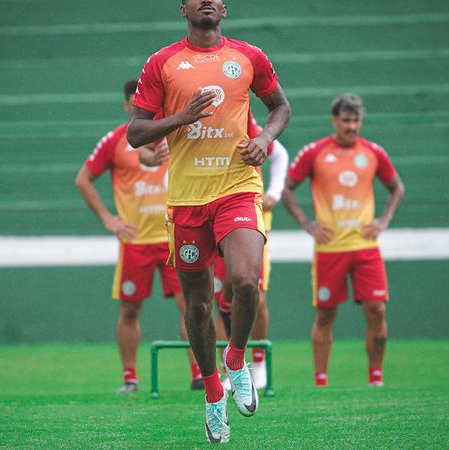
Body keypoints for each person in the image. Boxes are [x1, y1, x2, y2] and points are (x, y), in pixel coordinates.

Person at [126, 0, 290, 443]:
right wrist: (181, 117)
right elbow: (134, 132)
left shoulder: (249, 56)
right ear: (183, 9)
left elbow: (281, 108)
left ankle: (236, 359)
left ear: (224, 8)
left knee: (245, 281)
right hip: (186, 200)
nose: (206, 2)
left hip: (237, 186)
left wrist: (265, 137)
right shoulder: (163, 62)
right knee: (197, 306)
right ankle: (213, 392)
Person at [75, 79, 203, 394]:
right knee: (130, 309)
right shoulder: (115, 141)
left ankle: (199, 373)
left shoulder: (175, 133)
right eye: (133, 103)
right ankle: (130, 377)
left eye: (143, 102)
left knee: (190, 304)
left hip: (174, 236)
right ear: (126, 106)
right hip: (135, 242)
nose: (139, 107)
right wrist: (108, 219)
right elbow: (83, 179)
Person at [282, 93, 404, 388]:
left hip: (365, 247)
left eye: (356, 120)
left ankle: (376, 378)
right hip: (330, 249)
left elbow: (397, 187)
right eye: (346, 120)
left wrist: (383, 220)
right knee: (325, 315)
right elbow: (285, 188)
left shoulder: (373, 152)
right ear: (334, 120)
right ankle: (321, 381)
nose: (351, 126)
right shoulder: (315, 152)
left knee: (377, 309)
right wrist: (307, 224)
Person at [213, 114, 289, 391]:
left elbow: (278, 153)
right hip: (211, 218)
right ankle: (230, 367)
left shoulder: (240, 117)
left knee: (254, 292)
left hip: (248, 220)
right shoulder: (198, 121)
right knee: (221, 298)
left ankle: (257, 364)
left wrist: (275, 192)